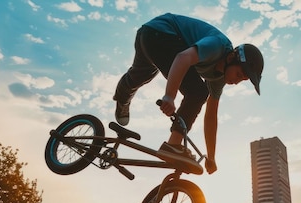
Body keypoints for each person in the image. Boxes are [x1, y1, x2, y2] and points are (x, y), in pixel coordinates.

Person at [113, 13, 264, 174]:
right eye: (239, 74)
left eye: (243, 79)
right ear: (232, 57)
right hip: (162, 32)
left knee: (141, 75)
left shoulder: (218, 78)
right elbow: (183, 57)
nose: (237, 81)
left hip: (149, 34)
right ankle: (173, 145)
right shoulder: (217, 46)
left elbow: (211, 115)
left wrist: (211, 157)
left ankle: (122, 99)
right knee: (198, 92)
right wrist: (169, 96)